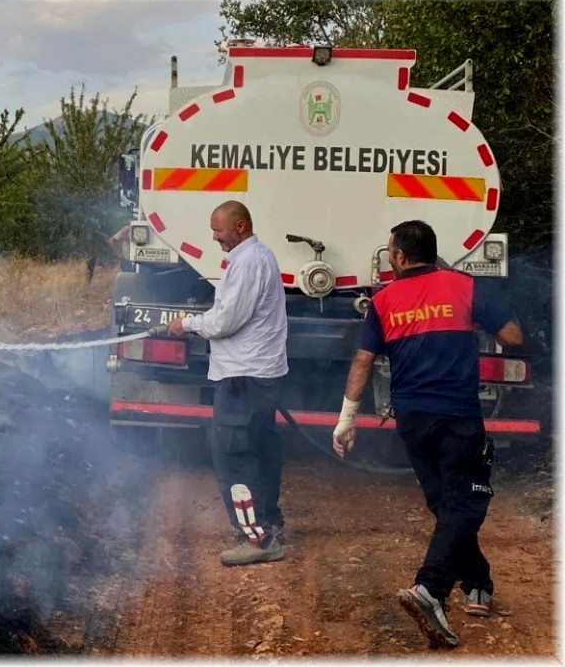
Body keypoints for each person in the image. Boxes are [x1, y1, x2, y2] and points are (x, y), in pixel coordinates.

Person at [331, 220, 522, 649]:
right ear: (433, 254)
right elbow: (512, 336)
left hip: (412, 419)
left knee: (445, 502)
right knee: (467, 502)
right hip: (457, 415)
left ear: (399, 257)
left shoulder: (383, 299)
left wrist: (346, 420)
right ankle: (430, 589)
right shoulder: (464, 286)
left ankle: (478, 582)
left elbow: (363, 361)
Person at [161, 200, 289, 566]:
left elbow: (225, 322)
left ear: (241, 227)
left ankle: (258, 539)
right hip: (258, 373)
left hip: (242, 376)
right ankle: (270, 522)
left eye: (218, 229)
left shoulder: (248, 263)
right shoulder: (256, 258)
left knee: (233, 456)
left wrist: (185, 324)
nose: (214, 236)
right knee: (261, 447)